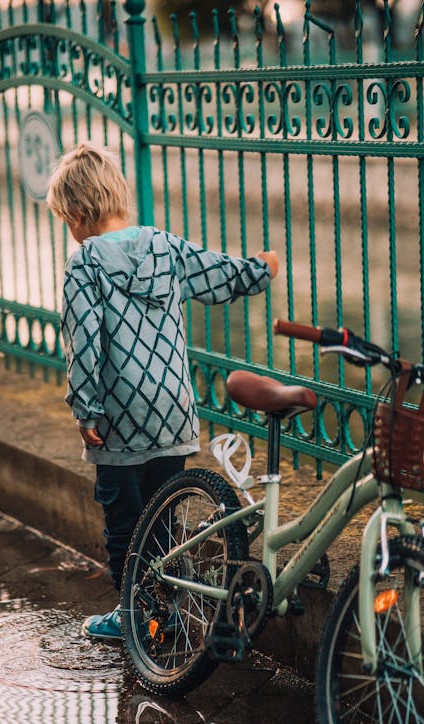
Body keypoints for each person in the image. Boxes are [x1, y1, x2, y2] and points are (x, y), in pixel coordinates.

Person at [47, 142, 278, 641]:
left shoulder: (84, 265)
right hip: (173, 411)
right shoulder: (162, 245)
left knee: (124, 525)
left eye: (68, 219)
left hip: (118, 420)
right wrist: (260, 269)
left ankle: (135, 615)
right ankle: (166, 610)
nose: (71, 229)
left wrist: (85, 409)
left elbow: (84, 342)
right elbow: (217, 275)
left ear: (82, 213)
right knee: (164, 520)